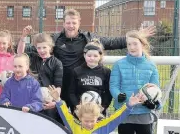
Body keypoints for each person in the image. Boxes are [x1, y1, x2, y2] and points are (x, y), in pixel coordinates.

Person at [17, 9, 155, 109]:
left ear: (79, 23)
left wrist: (136, 36)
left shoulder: (89, 38)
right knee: (60, 124)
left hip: (79, 88)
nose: (71, 26)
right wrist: (20, 41)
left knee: (79, 125)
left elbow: (111, 42)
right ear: (63, 23)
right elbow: (28, 50)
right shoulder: (55, 39)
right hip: (60, 88)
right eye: (68, 23)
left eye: (74, 23)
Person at [110, 30, 160, 134]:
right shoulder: (119, 64)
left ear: (142, 44)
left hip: (144, 115)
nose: (131, 47)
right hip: (125, 113)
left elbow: (155, 89)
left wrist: (152, 102)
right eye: (129, 44)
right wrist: (119, 95)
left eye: (135, 43)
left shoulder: (151, 66)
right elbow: (114, 86)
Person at [17, 28, 63, 122]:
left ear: (50, 47)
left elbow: (58, 85)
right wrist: (23, 37)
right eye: (39, 48)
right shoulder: (33, 58)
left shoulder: (57, 63)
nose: (41, 50)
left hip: (48, 103)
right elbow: (20, 53)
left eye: (44, 47)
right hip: (32, 101)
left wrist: (54, 101)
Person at [69, 39, 112, 116]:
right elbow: (71, 92)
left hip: (98, 112)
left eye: (95, 56)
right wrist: (77, 105)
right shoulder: (76, 71)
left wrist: (103, 106)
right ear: (84, 55)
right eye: (89, 55)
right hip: (81, 111)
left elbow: (108, 93)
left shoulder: (106, 72)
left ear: (100, 56)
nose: (92, 58)